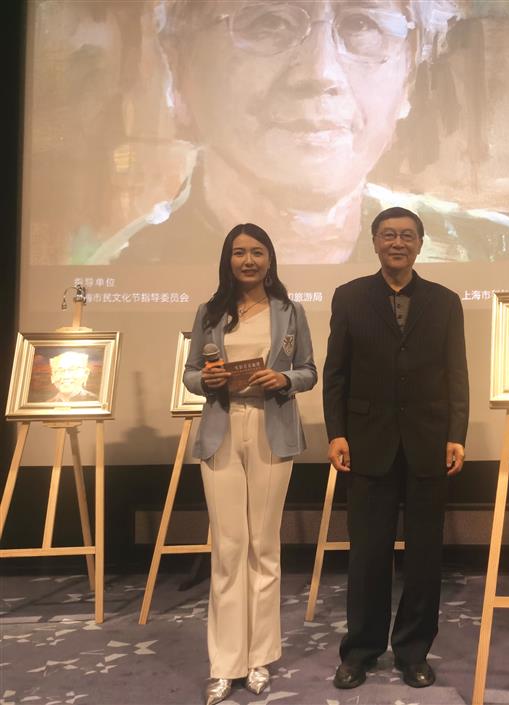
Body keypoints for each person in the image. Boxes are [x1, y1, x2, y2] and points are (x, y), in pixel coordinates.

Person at [89, 0, 509, 265]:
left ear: (408, 78)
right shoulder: (123, 269)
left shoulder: (507, 253)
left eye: (362, 25)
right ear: (179, 69)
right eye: (269, 22)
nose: (320, 72)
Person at [322, 206, 469, 690]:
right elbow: (336, 372)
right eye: (389, 235)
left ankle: (413, 651)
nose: (398, 243)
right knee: (367, 554)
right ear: (375, 242)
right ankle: (360, 651)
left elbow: (457, 373)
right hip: (367, 442)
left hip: (429, 441)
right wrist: (336, 432)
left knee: (425, 556)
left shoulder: (445, 301)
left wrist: (457, 433)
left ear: (420, 244)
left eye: (407, 235)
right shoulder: (349, 297)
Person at [183, 222, 317, 705]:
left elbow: (309, 371)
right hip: (222, 429)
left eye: (257, 252)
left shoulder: (290, 311)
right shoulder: (209, 312)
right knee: (229, 548)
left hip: (270, 430)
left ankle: (259, 658)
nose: (248, 260)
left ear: (270, 259)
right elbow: (190, 374)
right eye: (239, 252)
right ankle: (224, 664)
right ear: (228, 259)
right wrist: (208, 380)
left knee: (263, 545)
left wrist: (284, 381)